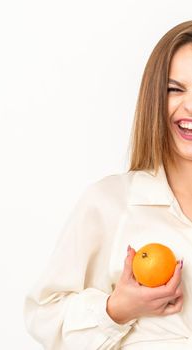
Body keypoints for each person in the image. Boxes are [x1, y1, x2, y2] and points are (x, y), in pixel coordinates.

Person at [23, 20, 192, 349]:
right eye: (175, 89)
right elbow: (43, 317)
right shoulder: (110, 202)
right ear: (155, 98)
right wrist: (117, 310)